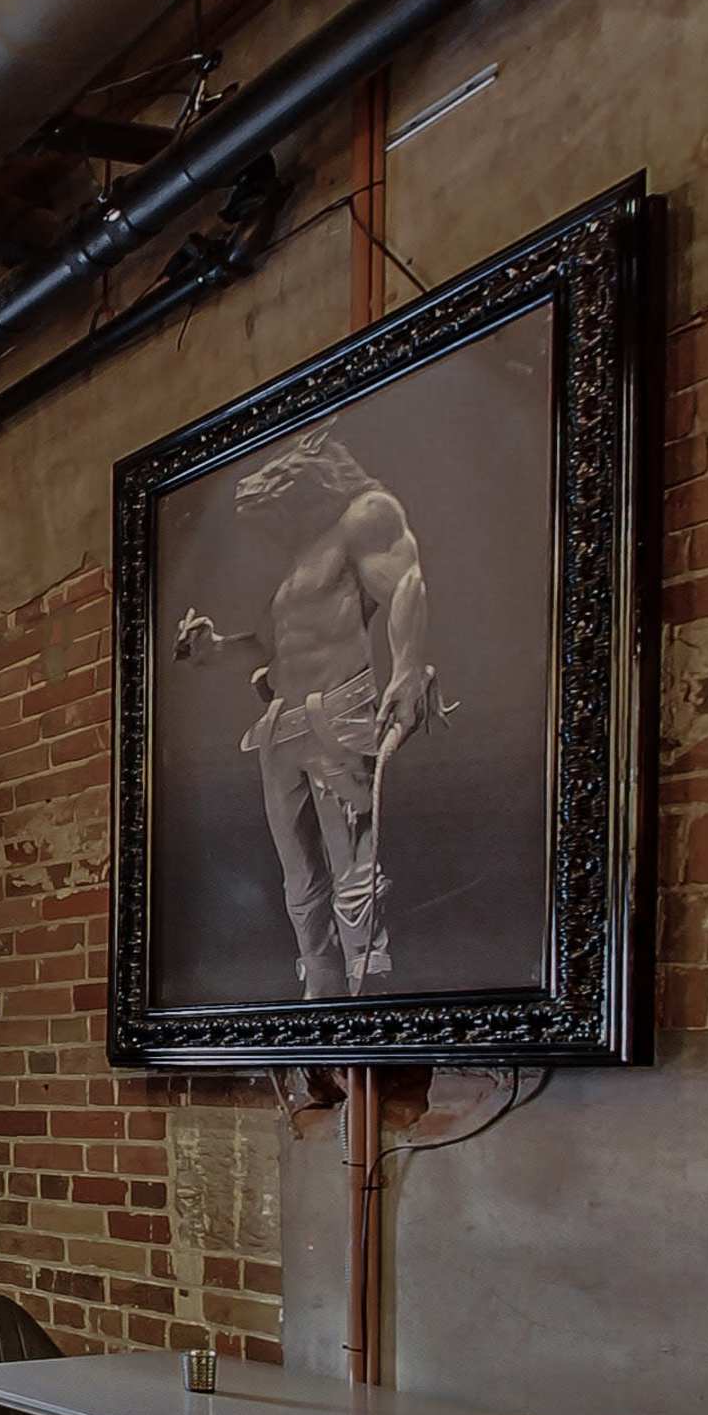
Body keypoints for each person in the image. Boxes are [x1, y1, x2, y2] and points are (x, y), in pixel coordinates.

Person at [173, 427, 436, 998]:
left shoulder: (366, 515)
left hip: (334, 718)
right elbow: (275, 645)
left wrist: (408, 670)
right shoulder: (301, 557)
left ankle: (367, 998)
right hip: (281, 731)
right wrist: (214, 647)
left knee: (353, 871)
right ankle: (319, 993)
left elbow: (407, 583)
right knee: (299, 881)